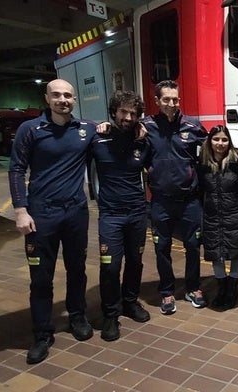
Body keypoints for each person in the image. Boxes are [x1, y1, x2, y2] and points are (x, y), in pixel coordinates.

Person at [9, 79, 95, 364]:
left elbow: (114, 136)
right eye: (56, 95)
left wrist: (112, 126)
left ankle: (78, 316)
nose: (63, 100)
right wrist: (21, 210)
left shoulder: (85, 130)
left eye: (68, 95)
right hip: (41, 214)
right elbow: (17, 169)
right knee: (41, 277)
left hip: (75, 213)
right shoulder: (30, 130)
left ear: (74, 99)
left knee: (77, 268)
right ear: (47, 98)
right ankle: (43, 333)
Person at [90, 91, 151, 341]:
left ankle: (130, 302)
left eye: (133, 113)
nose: (128, 117)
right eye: (123, 112)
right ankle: (110, 315)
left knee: (135, 262)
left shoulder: (142, 140)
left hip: (137, 212)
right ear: (113, 112)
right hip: (111, 216)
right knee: (111, 266)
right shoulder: (97, 139)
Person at [143, 80, 208, 314]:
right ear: (157, 101)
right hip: (160, 201)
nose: (172, 104)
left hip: (190, 201)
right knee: (162, 248)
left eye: (175, 99)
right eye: (167, 100)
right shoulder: (146, 126)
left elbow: (216, 146)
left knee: (193, 246)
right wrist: (105, 128)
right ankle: (167, 292)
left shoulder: (192, 125)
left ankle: (193, 288)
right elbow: (123, 137)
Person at [199, 125, 238, 310]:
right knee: (215, 254)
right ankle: (221, 288)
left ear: (230, 142)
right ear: (210, 141)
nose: (220, 143)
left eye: (224, 139)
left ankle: (232, 289)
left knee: (236, 253)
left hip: (234, 215)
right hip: (212, 216)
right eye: (216, 139)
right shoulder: (202, 164)